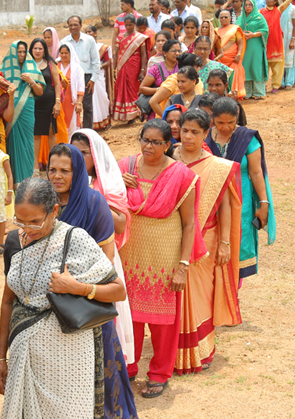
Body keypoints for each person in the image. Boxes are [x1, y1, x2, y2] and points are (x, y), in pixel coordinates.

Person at [0, 178, 126, 418]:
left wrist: (79, 288)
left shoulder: (75, 239)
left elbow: (118, 290)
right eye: (20, 220)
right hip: (24, 353)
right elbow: (7, 301)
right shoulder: (15, 241)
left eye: (35, 221)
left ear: (54, 210)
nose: (28, 228)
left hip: (69, 358)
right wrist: (0, 358)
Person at [45, 144, 138, 418]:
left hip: (88, 304)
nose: (57, 176)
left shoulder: (93, 203)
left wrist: (75, 286)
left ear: (78, 171)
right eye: (52, 169)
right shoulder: (41, 200)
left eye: (65, 170)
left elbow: (106, 258)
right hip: (49, 304)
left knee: (99, 377)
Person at [119, 119, 206, 397]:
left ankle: (159, 374)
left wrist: (183, 266)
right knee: (127, 314)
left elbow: (190, 223)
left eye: (157, 142)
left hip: (165, 254)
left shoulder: (180, 175)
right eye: (145, 139)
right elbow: (101, 195)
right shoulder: (125, 168)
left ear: (169, 144)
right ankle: (128, 368)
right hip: (129, 253)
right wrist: (117, 184)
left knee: (162, 321)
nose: (148, 146)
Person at [171, 109, 242, 374]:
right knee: (174, 294)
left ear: (204, 134)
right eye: (184, 130)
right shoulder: (170, 157)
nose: (188, 136)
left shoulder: (215, 164)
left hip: (206, 237)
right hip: (173, 237)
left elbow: (224, 205)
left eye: (195, 132)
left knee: (200, 294)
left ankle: (202, 350)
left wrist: (225, 242)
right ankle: (172, 351)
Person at [69, 128, 135, 362]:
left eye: (84, 153)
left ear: (94, 155)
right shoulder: (64, 179)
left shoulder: (107, 182)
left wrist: (92, 199)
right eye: (74, 153)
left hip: (102, 252)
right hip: (70, 255)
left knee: (101, 309)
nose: (78, 159)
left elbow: (120, 224)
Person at [205, 97, 276, 278]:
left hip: (241, 204)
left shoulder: (247, 138)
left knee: (237, 250)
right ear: (213, 118)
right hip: (210, 204)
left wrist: (264, 203)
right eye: (220, 122)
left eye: (231, 122)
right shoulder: (204, 136)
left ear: (237, 118)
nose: (226, 127)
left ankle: (232, 297)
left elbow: (256, 173)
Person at [0, 40, 45, 184]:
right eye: (18, 52)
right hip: (11, 111)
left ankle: (27, 181)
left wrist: (31, 81)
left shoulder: (32, 69)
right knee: (12, 144)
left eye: (23, 52)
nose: (21, 55)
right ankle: (13, 183)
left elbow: (40, 92)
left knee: (27, 144)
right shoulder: (4, 72)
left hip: (27, 110)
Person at [62, 15, 103, 129]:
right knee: (69, 105)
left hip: (86, 78)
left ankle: (87, 133)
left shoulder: (89, 40)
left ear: (80, 25)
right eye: (70, 25)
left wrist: (93, 79)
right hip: (69, 78)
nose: (73, 27)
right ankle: (71, 130)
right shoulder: (64, 42)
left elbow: (96, 61)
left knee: (87, 106)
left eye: (75, 25)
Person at [29, 38, 62, 173]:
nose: (37, 51)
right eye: (35, 48)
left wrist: (57, 102)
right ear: (31, 50)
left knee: (51, 132)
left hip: (49, 102)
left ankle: (53, 164)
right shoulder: (27, 64)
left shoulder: (50, 64)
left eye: (40, 48)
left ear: (44, 50)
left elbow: (57, 84)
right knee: (36, 134)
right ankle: (35, 166)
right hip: (33, 103)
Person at [113, 14, 149, 123]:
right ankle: (126, 114)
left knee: (134, 88)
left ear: (135, 24)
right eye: (127, 25)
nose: (129, 27)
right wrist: (114, 68)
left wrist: (143, 69)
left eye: (131, 25)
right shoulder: (120, 37)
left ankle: (136, 113)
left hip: (135, 66)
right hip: (122, 66)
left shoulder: (139, 37)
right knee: (122, 87)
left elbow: (143, 55)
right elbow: (116, 53)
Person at [149, 53, 205, 117]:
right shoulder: (172, 82)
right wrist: (167, 119)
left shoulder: (198, 80)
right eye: (197, 66)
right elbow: (153, 102)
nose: (199, 68)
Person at [261, 0, 295, 93]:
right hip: (265, 43)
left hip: (277, 43)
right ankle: (262, 86)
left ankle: (275, 86)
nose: (267, 0)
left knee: (278, 67)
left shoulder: (279, 10)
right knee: (264, 67)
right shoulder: (261, 12)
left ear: (275, 1)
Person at [140, 39, 181, 120]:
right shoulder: (156, 69)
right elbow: (142, 88)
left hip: (177, 108)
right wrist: (159, 90)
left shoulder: (182, 68)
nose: (177, 53)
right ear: (165, 53)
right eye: (173, 51)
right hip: (158, 109)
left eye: (179, 51)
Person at [237, 0, 270, 99]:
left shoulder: (259, 17)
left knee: (255, 67)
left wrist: (254, 34)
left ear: (254, 6)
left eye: (250, 5)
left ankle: (258, 93)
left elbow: (265, 30)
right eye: (246, 5)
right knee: (246, 67)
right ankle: (246, 92)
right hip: (244, 47)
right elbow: (236, 29)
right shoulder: (240, 18)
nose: (247, 7)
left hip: (255, 46)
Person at [84, 25, 114, 130]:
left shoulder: (103, 48)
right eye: (86, 32)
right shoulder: (83, 48)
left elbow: (108, 62)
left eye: (90, 32)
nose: (88, 34)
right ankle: (91, 124)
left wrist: (98, 67)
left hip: (99, 75)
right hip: (87, 75)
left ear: (95, 33)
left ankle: (105, 122)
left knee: (102, 98)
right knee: (89, 99)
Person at [216, 9, 248, 98]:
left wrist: (239, 54)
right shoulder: (215, 31)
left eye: (226, 17)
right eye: (221, 17)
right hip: (220, 60)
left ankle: (235, 95)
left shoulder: (235, 29)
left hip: (233, 59)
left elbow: (240, 43)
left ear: (230, 18)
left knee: (233, 77)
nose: (223, 19)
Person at [58, 43, 85, 134]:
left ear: (71, 54)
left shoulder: (77, 68)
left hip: (71, 102)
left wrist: (79, 103)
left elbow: (81, 86)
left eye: (66, 53)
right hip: (58, 102)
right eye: (62, 53)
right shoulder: (56, 66)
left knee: (72, 128)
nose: (64, 55)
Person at [281, 0, 295, 88]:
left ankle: (289, 82)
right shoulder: (279, 8)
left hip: (289, 37)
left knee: (290, 58)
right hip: (280, 38)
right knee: (280, 60)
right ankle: (280, 82)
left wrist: (293, 39)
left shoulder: (294, 9)